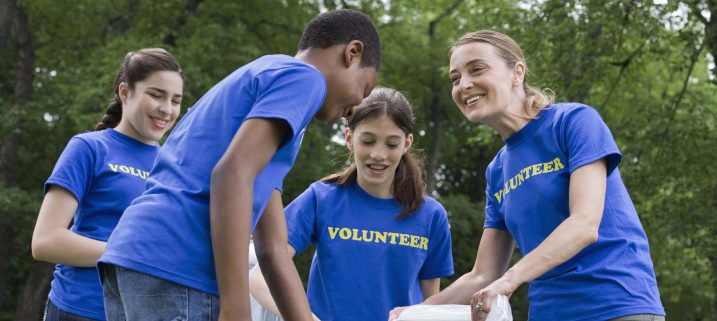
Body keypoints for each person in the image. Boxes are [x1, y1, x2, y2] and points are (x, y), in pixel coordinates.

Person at [98, 9, 380, 321]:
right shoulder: (304, 78)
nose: (356, 107)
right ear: (352, 53)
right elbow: (230, 175)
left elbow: (272, 248)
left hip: (135, 258)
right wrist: (236, 307)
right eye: (364, 89)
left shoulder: (271, 97)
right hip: (178, 266)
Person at [391, 30, 664, 321]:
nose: (464, 85)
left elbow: (584, 223)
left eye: (477, 69)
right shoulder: (497, 171)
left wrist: (509, 281)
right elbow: (484, 274)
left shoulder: (573, 122)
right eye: (455, 78)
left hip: (616, 305)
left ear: (517, 72)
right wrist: (417, 312)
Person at [250, 88, 454, 321]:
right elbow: (259, 278)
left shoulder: (431, 215)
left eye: (392, 144)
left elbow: (431, 307)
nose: (378, 154)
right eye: (367, 141)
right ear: (349, 138)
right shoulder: (321, 199)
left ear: (407, 143)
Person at [31, 48, 183, 321]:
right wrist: (134, 252)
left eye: (176, 100)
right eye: (156, 95)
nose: (167, 109)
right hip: (79, 309)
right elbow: (45, 241)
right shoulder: (89, 148)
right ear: (125, 92)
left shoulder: (176, 166)